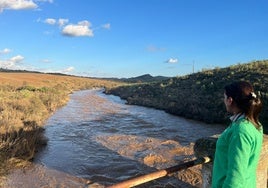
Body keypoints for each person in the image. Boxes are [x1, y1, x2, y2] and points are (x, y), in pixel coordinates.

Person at [212, 81, 263, 188]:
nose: (223, 100)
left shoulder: (240, 131)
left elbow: (235, 178)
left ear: (230, 100)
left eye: (224, 97)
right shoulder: (255, 124)